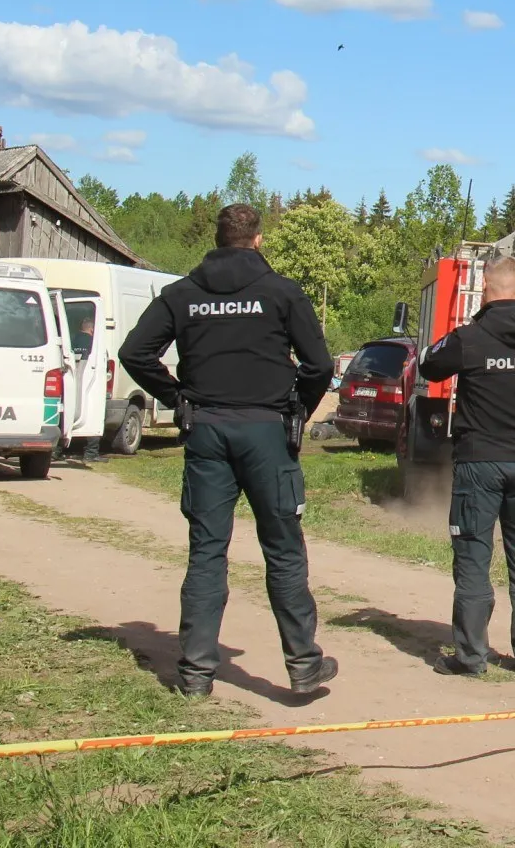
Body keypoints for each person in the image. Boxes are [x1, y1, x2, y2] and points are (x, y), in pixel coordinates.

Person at [119, 203, 337, 699]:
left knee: (207, 553)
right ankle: (303, 664)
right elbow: (319, 364)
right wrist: (297, 408)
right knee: (282, 550)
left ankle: (196, 674)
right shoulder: (281, 292)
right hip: (267, 430)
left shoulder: (182, 293)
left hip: (208, 430)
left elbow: (134, 353)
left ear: (218, 240)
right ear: (257, 240)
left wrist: (178, 398)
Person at [419, 255, 515, 676]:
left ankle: (470, 658)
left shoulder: (469, 338)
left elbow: (429, 364)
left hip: (478, 465)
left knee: (472, 558)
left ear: (486, 286)